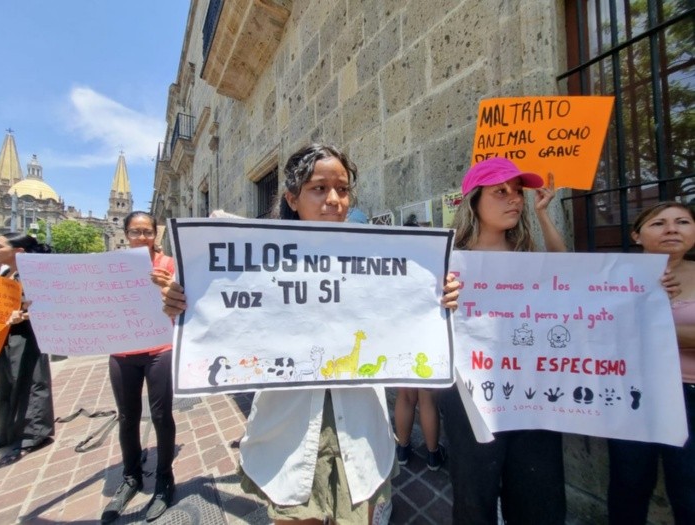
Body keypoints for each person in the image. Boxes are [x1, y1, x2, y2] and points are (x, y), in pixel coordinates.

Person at [160, 143, 460, 524]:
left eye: (343, 189)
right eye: (319, 188)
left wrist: (437, 296)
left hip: (361, 430)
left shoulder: (379, 259)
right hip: (289, 432)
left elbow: (408, 313)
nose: (334, 200)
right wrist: (185, 302)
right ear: (292, 198)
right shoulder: (256, 265)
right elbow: (221, 318)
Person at [439, 157, 567, 525]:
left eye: (518, 192)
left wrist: (543, 215)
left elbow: (570, 278)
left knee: (538, 494)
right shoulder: (447, 261)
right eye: (500, 192)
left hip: (533, 391)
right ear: (474, 201)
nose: (514, 199)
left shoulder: (527, 258)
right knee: (474, 492)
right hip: (469, 396)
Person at [607, 201, 695, 525]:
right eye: (659, 223)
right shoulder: (613, 277)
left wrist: (649, 317)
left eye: (682, 222)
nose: (672, 229)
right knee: (628, 485)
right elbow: (596, 331)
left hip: (689, 394)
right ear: (636, 235)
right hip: (633, 393)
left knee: (689, 490)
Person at [100, 211, 177, 524]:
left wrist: (168, 287)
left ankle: (164, 478)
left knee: (161, 415)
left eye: (148, 232)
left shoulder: (168, 264)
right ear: (126, 233)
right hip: (122, 351)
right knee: (127, 416)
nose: (142, 237)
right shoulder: (111, 266)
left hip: (160, 349)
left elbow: (183, 302)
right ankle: (131, 475)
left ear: (156, 234)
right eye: (136, 231)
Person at [0, 233, 54, 468]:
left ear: (18, 251)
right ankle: (5, 431)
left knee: (30, 381)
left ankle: (33, 433)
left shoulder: (34, 276)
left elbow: (48, 305)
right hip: (3, 334)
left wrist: (24, 315)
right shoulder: (3, 274)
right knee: (5, 384)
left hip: (26, 334)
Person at [394, 214, 445, 471]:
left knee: (405, 396)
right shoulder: (432, 267)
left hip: (402, 338)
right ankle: (433, 455)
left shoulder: (393, 269)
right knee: (428, 399)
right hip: (427, 338)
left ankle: (402, 449)